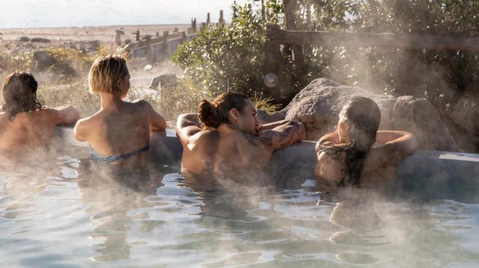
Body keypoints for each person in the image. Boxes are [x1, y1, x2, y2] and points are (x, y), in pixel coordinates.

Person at [176, 92, 306, 179]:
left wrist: (214, 122)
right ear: (235, 114)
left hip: (195, 201)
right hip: (235, 209)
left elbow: (185, 118)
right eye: (253, 115)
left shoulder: (192, 138)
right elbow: (295, 127)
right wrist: (259, 129)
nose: (257, 122)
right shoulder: (254, 143)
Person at [73, 55, 167, 169]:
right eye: (129, 79)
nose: (129, 83)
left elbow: (79, 137)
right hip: (143, 179)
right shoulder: (143, 108)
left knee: (83, 166)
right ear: (119, 83)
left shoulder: (84, 126)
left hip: (109, 184)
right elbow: (161, 126)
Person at [314, 96, 417, 190]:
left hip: (326, 206)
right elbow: (410, 138)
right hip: (370, 207)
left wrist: (344, 134)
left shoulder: (325, 151)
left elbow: (330, 138)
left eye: (339, 119)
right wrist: (368, 134)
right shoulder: (383, 155)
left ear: (347, 125)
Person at [0, 72, 80, 157]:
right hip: (23, 173)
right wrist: (43, 109)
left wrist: (12, 107)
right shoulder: (39, 117)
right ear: (32, 93)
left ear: (5, 93)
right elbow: (72, 111)